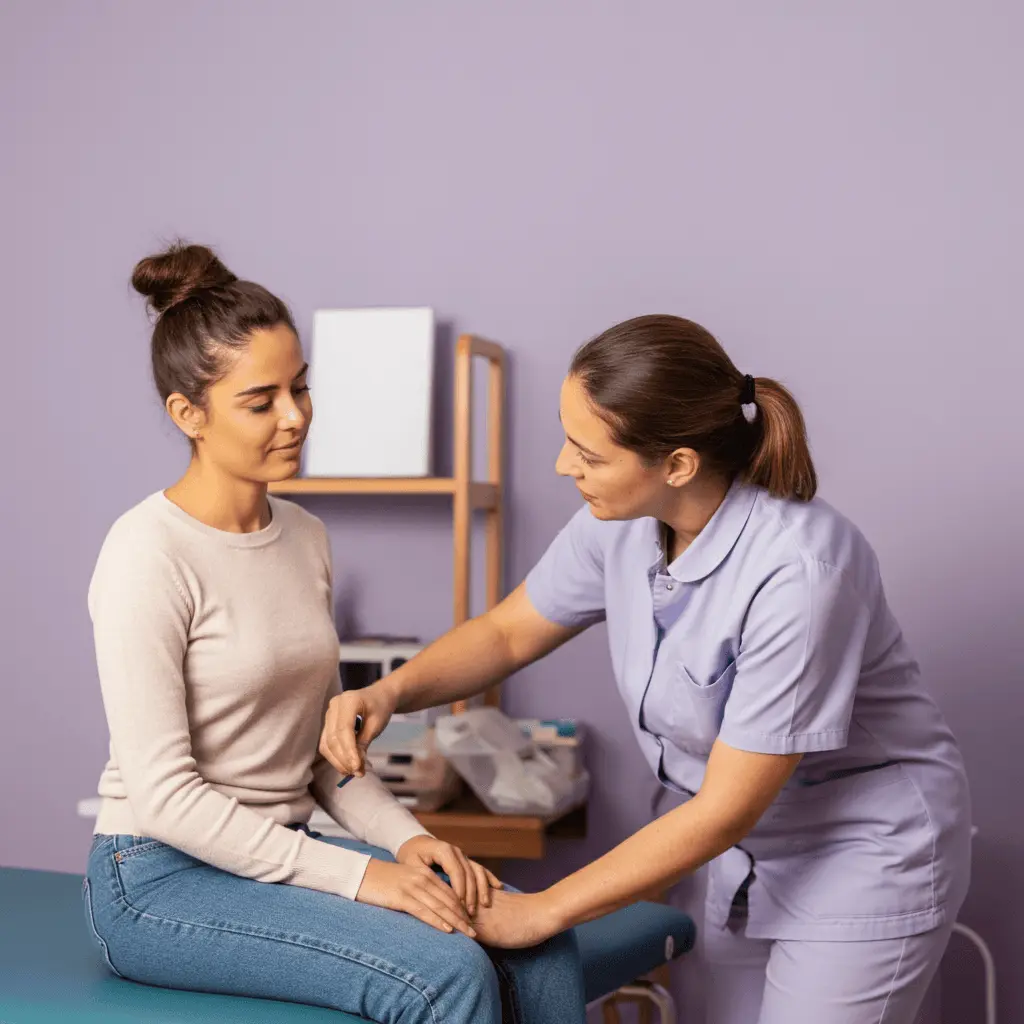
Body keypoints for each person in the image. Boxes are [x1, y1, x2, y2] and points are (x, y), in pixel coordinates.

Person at [322, 314, 973, 1024]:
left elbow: (726, 806)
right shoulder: (621, 523)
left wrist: (541, 911)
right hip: (737, 859)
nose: (563, 467)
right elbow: (508, 634)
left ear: (678, 464)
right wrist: (389, 690)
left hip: (863, 857)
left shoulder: (801, 572)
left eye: (588, 453)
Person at [83, 242, 587, 1024]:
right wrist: (365, 878)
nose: (295, 417)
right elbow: (164, 797)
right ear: (189, 414)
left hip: (278, 852)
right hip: (158, 877)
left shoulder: (305, 537)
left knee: (537, 941)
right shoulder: (146, 553)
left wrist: (406, 841)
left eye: (302, 388)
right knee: (443, 972)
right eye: (261, 401)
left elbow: (324, 753)